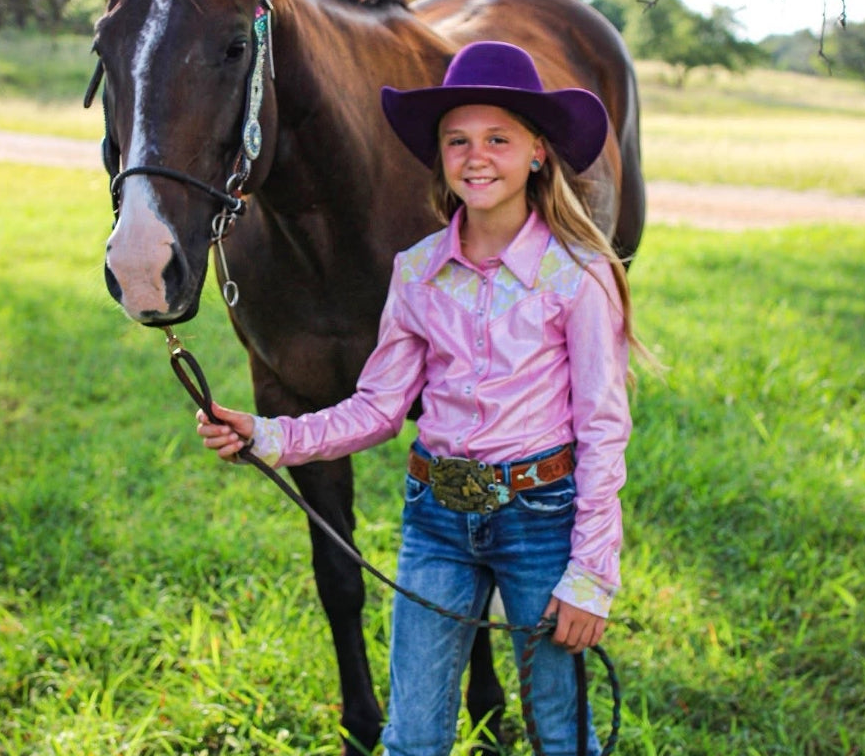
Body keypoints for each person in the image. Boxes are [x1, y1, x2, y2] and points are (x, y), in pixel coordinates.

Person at [197, 40, 641, 756]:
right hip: (436, 522)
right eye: (456, 140)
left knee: (561, 732)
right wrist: (268, 435)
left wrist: (591, 573)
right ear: (439, 157)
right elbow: (377, 407)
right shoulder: (416, 273)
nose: (476, 156)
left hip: (539, 522)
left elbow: (602, 428)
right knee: (413, 737)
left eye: (499, 138)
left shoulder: (577, 277)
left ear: (537, 153)